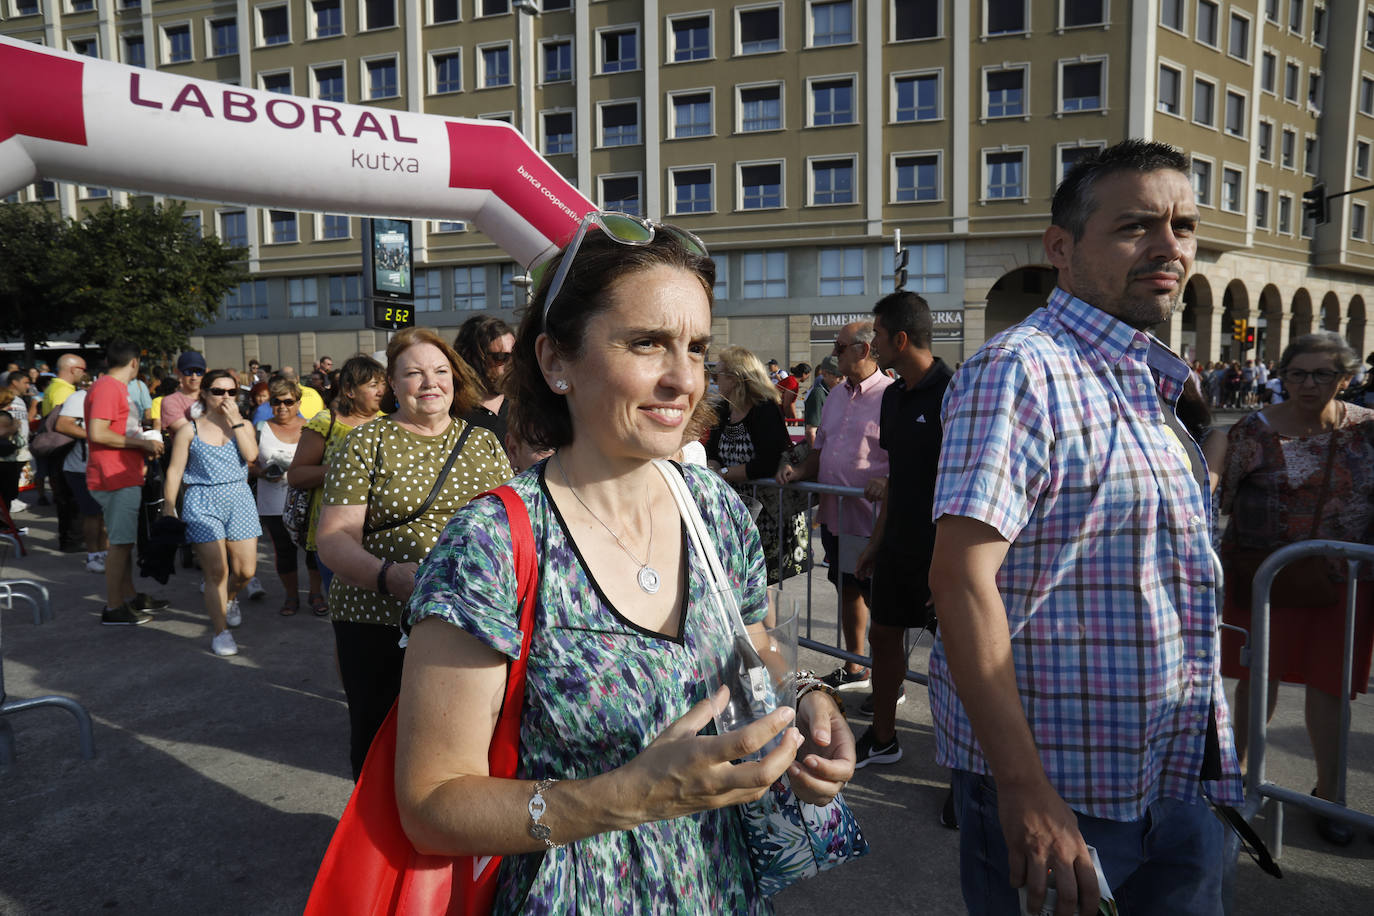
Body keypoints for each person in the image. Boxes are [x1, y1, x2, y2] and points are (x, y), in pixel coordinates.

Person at [395, 212, 854, 913]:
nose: (683, 379)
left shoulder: (714, 509)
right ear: (555, 362)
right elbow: (430, 804)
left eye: (695, 348)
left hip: (723, 888)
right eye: (647, 343)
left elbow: (752, 647)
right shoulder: (490, 542)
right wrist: (625, 797)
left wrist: (804, 703)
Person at [929, 140, 1242, 915]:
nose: (1171, 247)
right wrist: (1024, 788)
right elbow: (962, 580)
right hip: (1065, 790)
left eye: (1184, 225)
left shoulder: (1147, 377)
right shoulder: (1022, 370)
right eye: (1137, 226)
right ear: (1062, 248)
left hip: (1182, 775)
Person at [316, 329, 513, 779]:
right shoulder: (366, 442)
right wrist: (391, 577)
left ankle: (443, 840)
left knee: (461, 741)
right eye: (415, 373)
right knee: (380, 743)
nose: (430, 383)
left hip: (464, 618)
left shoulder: (483, 443)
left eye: (440, 371)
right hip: (377, 618)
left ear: (455, 378)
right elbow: (333, 540)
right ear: (392, 383)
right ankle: (376, 846)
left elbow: (506, 526)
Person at [1218, 331, 1374, 846]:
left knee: (1331, 689)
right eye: (1297, 374)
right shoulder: (1251, 432)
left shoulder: (1368, 430)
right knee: (1256, 681)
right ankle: (1236, 780)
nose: (1307, 384)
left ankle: (1329, 796)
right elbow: (1220, 497)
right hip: (1265, 579)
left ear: (1345, 379)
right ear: (1282, 376)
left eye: (1322, 374)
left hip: (1343, 585)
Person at [853, 292, 953, 776]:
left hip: (946, 555)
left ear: (900, 338)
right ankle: (884, 737)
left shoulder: (957, 392)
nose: (871, 342)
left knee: (958, 664)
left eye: (876, 333)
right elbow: (896, 476)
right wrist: (876, 542)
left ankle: (966, 771)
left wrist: (952, 564)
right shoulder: (892, 396)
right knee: (884, 637)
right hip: (898, 547)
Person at [777, 322, 892, 691]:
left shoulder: (892, 395)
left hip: (872, 520)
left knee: (882, 604)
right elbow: (821, 451)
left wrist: (889, 483)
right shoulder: (836, 393)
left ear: (864, 349)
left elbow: (907, 458)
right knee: (847, 589)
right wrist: (799, 471)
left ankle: (892, 678)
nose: (832, 352)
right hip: (835, 516)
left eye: (840, 347)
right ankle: (857, 667)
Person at [162, 369, 261, 656]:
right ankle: (221, 632)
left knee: (245, 572)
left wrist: (236, 422)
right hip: (202, 500)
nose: (226, 397)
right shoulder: (188, 429)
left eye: (232, 392)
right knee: (217, 571)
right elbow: (175, 471)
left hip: (239, 498)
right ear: (204, 394)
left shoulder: (243, 425)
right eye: (218, 391)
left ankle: (229, 600)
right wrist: (169, 506)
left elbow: (252, 456)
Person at [286, 354, 388, 602]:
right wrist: (341, 469)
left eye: (383, 384)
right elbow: (296, 475)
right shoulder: (325, 422)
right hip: (335, 535)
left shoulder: (388, 424)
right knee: (345, 613)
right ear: (350, 391)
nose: (381, 391)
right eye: (373, 385)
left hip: (380, 534)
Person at [707, 346, 806, 585]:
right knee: (736, 582)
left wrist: (723, 474)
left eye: (717, 374)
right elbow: (711, 449)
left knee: (761, 587)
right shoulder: (724, 409)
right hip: (734, 511)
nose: (714, 380)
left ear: (735, 377)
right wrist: (713, 466)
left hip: (768, 514)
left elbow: (767, 462)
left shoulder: (764, 408)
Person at [85, 342, 167, 625]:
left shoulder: (110, 387)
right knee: (120, 544)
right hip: (114, 475)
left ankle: (129, 597)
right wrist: (141, 443)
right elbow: (98, 432)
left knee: (124, 541)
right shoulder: (109, 387)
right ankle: (114, 607)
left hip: (119, 474)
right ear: (134, 363)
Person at [251, 377, 323, 616]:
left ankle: (316, 594)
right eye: (276, 401)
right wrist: (261, 472)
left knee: (314, 550)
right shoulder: (261, 428)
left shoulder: (313, 426)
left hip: (309, 500)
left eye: (288, 401)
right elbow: (248, 462)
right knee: (284, 551)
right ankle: (291, 597)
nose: (282, 407)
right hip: (273, 502)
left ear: (298, 403)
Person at [54, 374, 108, 574]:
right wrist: (96, 436)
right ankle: (94, 556)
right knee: (92, 514)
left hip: (106, 467)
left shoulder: (118, 398)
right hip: (81, 468)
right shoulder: (80, 397)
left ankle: (104, 554)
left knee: (105, 514)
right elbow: (62, 424)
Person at [453, 314, 516, 444]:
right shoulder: (451, 416)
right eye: (500, 357)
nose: (510, 365)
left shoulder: (525, 408)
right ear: (471, 358)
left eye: (515, 356)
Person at [1, 371, 33, 514]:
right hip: (6, 454)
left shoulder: (20, 400)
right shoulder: (5, 399)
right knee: (7, 489)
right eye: (26, 382)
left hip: (20, 451)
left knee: (13, 487)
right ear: (15, 382)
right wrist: (15, 425)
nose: (28, 386)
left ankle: (8, 511)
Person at [802, 355, 839, 448]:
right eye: (838, 375)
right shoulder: (818, 394)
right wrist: (818, 456)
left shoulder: (836, 392)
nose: (843, 379)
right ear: (825, 374)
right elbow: (811, 432)